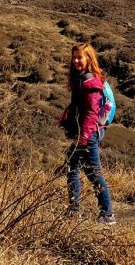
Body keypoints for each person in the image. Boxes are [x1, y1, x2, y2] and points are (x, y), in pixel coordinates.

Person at [59, 42, 116, 225]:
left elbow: (91, 112)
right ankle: (75, 210)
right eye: (74, 57)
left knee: (92, 172)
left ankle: (107, 214)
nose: (76, 61)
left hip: (89, 134)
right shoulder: (80, 78)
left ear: (88, 59)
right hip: (86, 133)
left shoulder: (90, 81)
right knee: (73, 168)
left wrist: (83, 136)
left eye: (80, 57)